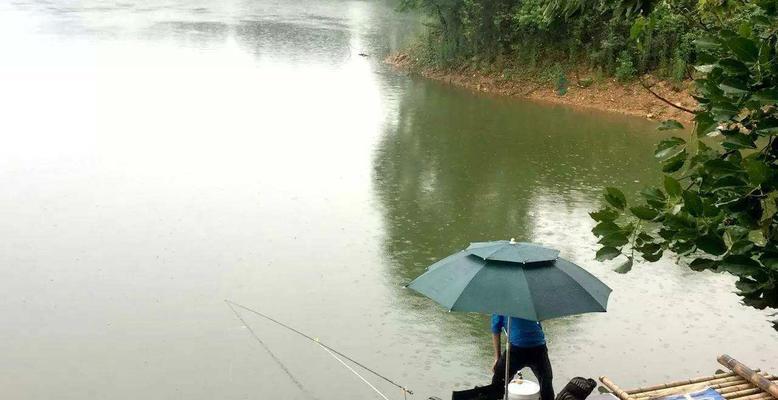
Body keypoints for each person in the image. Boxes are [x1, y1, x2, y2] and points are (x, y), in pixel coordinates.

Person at [490, 314, 554, 400]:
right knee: (546, 382)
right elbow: (539, 322)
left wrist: (497, 358)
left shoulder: (501, 305)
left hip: (517, 348)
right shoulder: (530, 305)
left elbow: (495, 329)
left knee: (498, 381)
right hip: (538, 346)